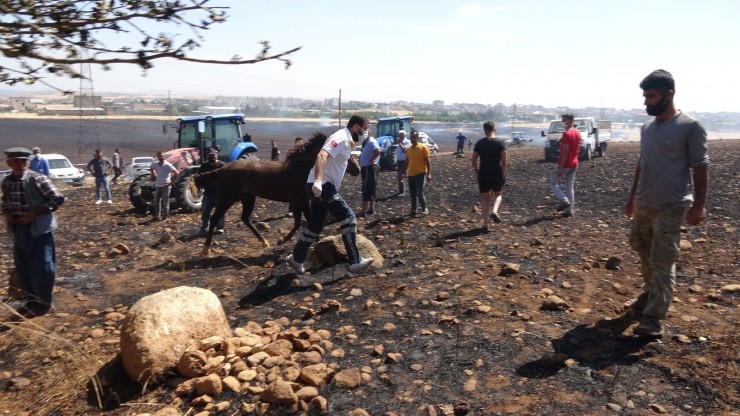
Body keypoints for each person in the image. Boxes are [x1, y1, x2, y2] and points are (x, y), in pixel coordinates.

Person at [624, 69, 709, 338]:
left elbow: (700, 166)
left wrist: (699, 205)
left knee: (663, 258)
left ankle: (652, 319)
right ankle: (650, 292)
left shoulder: (690, 126)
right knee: (641, 248)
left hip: (671, 205)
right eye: (645, 96)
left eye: (651, 96)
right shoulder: (647, 127)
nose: (646, 101)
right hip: (643, 203)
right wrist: (631, 198)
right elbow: (642, 164)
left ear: (669, 94)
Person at [287, 114, 373, 274]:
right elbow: (321, 155)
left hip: (320, 186)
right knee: (349, 218)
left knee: (315, 226)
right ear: (356, 127)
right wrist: (319, 181)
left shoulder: (347, 139)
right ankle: (355, 261)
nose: (366, 132)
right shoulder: (340, 137)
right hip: (322, 186)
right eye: (366, 128)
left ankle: (296, 258)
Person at [1, 147, 65, 320]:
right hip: (19, 229)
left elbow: (57, 199)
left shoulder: (38, 179)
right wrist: (6, 212)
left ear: (28, 162)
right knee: (23, 266)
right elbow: (5, 201)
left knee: (43, 266)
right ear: (9, 163)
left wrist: (35, 212)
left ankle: (45, 302)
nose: (20, 164)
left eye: (24, 161)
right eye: (16, 161)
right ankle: (31, 300)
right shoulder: (7, 181)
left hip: (39, 228)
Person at [471, 121, 507, 229]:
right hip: (496, 172)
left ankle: (485, 223)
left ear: (484, 130)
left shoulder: (479, 143)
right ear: (494, 129)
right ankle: (495, 211)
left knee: (485, 198)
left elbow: (473, 160)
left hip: (483, 172)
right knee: (498, 194)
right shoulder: (501, 142)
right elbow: (504, 161)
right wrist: (502, 174)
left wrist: (478, 172)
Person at [549, 113, 581, 217]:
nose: (563, 122)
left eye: (564, 120)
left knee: (553, 183)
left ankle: (564, 200)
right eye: (562, 120)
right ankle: (570, 210)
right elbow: (578, 148)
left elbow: (565, 151)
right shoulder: (577, 133)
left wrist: (561, 167)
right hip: (574, 163)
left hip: (565, 163)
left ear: (570, 121)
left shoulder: (567, 134)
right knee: (569, 186)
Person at [405, 129, 432, 216]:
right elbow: (407, 161)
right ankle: (414, 210)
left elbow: (428, 161)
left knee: (419, 192)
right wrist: (403, 172)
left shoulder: (423, 148)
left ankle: (424, 208)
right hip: (411, 174)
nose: (413, 139)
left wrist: (429, 174)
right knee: (412, 194)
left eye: (414, 137)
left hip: (421, 173)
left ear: (417, 138)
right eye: (411, 137)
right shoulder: (408, 150)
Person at [198, 149, 225, 235]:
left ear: (217, 155)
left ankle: (220, 227)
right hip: (207, 193)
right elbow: (200, 175)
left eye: (212, 155)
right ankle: (205, 227)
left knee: (220, 211)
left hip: (219, 193)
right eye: (209, 155)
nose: (211, 157)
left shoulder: (222, 165)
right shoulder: (204, 165)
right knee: (205, 211)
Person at [150, 150, 179, 222]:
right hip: (158, 185)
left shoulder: (168, 165)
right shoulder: (156, 164)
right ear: (157, 157)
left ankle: (165, 217)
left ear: (164, 157)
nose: (161, 157)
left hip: (166, 186)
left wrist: (171, 183)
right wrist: (153, 174)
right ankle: (157, 216)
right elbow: (152, 167)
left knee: (165, 202)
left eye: (162, 156)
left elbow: (176, 173)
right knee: (157, 201)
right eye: (159, 156)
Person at [358, 130, 380, 217]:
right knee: (371, 187)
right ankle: (371, 209)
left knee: (367, 187)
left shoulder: (371, 141)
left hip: (369, 167)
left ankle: (363, 211)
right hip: (366, 167)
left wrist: (372, 159)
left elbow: (378, 150)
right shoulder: (366, 142)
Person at [394, 130, 411, 195]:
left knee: (401, 176)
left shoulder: (407, 142)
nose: (400, 136)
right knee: (400, 176)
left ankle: (403, 191)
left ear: (405, 135)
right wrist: (395, 161)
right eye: (399, 135)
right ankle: (401, 191)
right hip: (399, 161)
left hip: (404, 161)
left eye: (402, 135)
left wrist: (400, 143)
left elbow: (405, 151)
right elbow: (397, 153)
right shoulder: (399, 143)